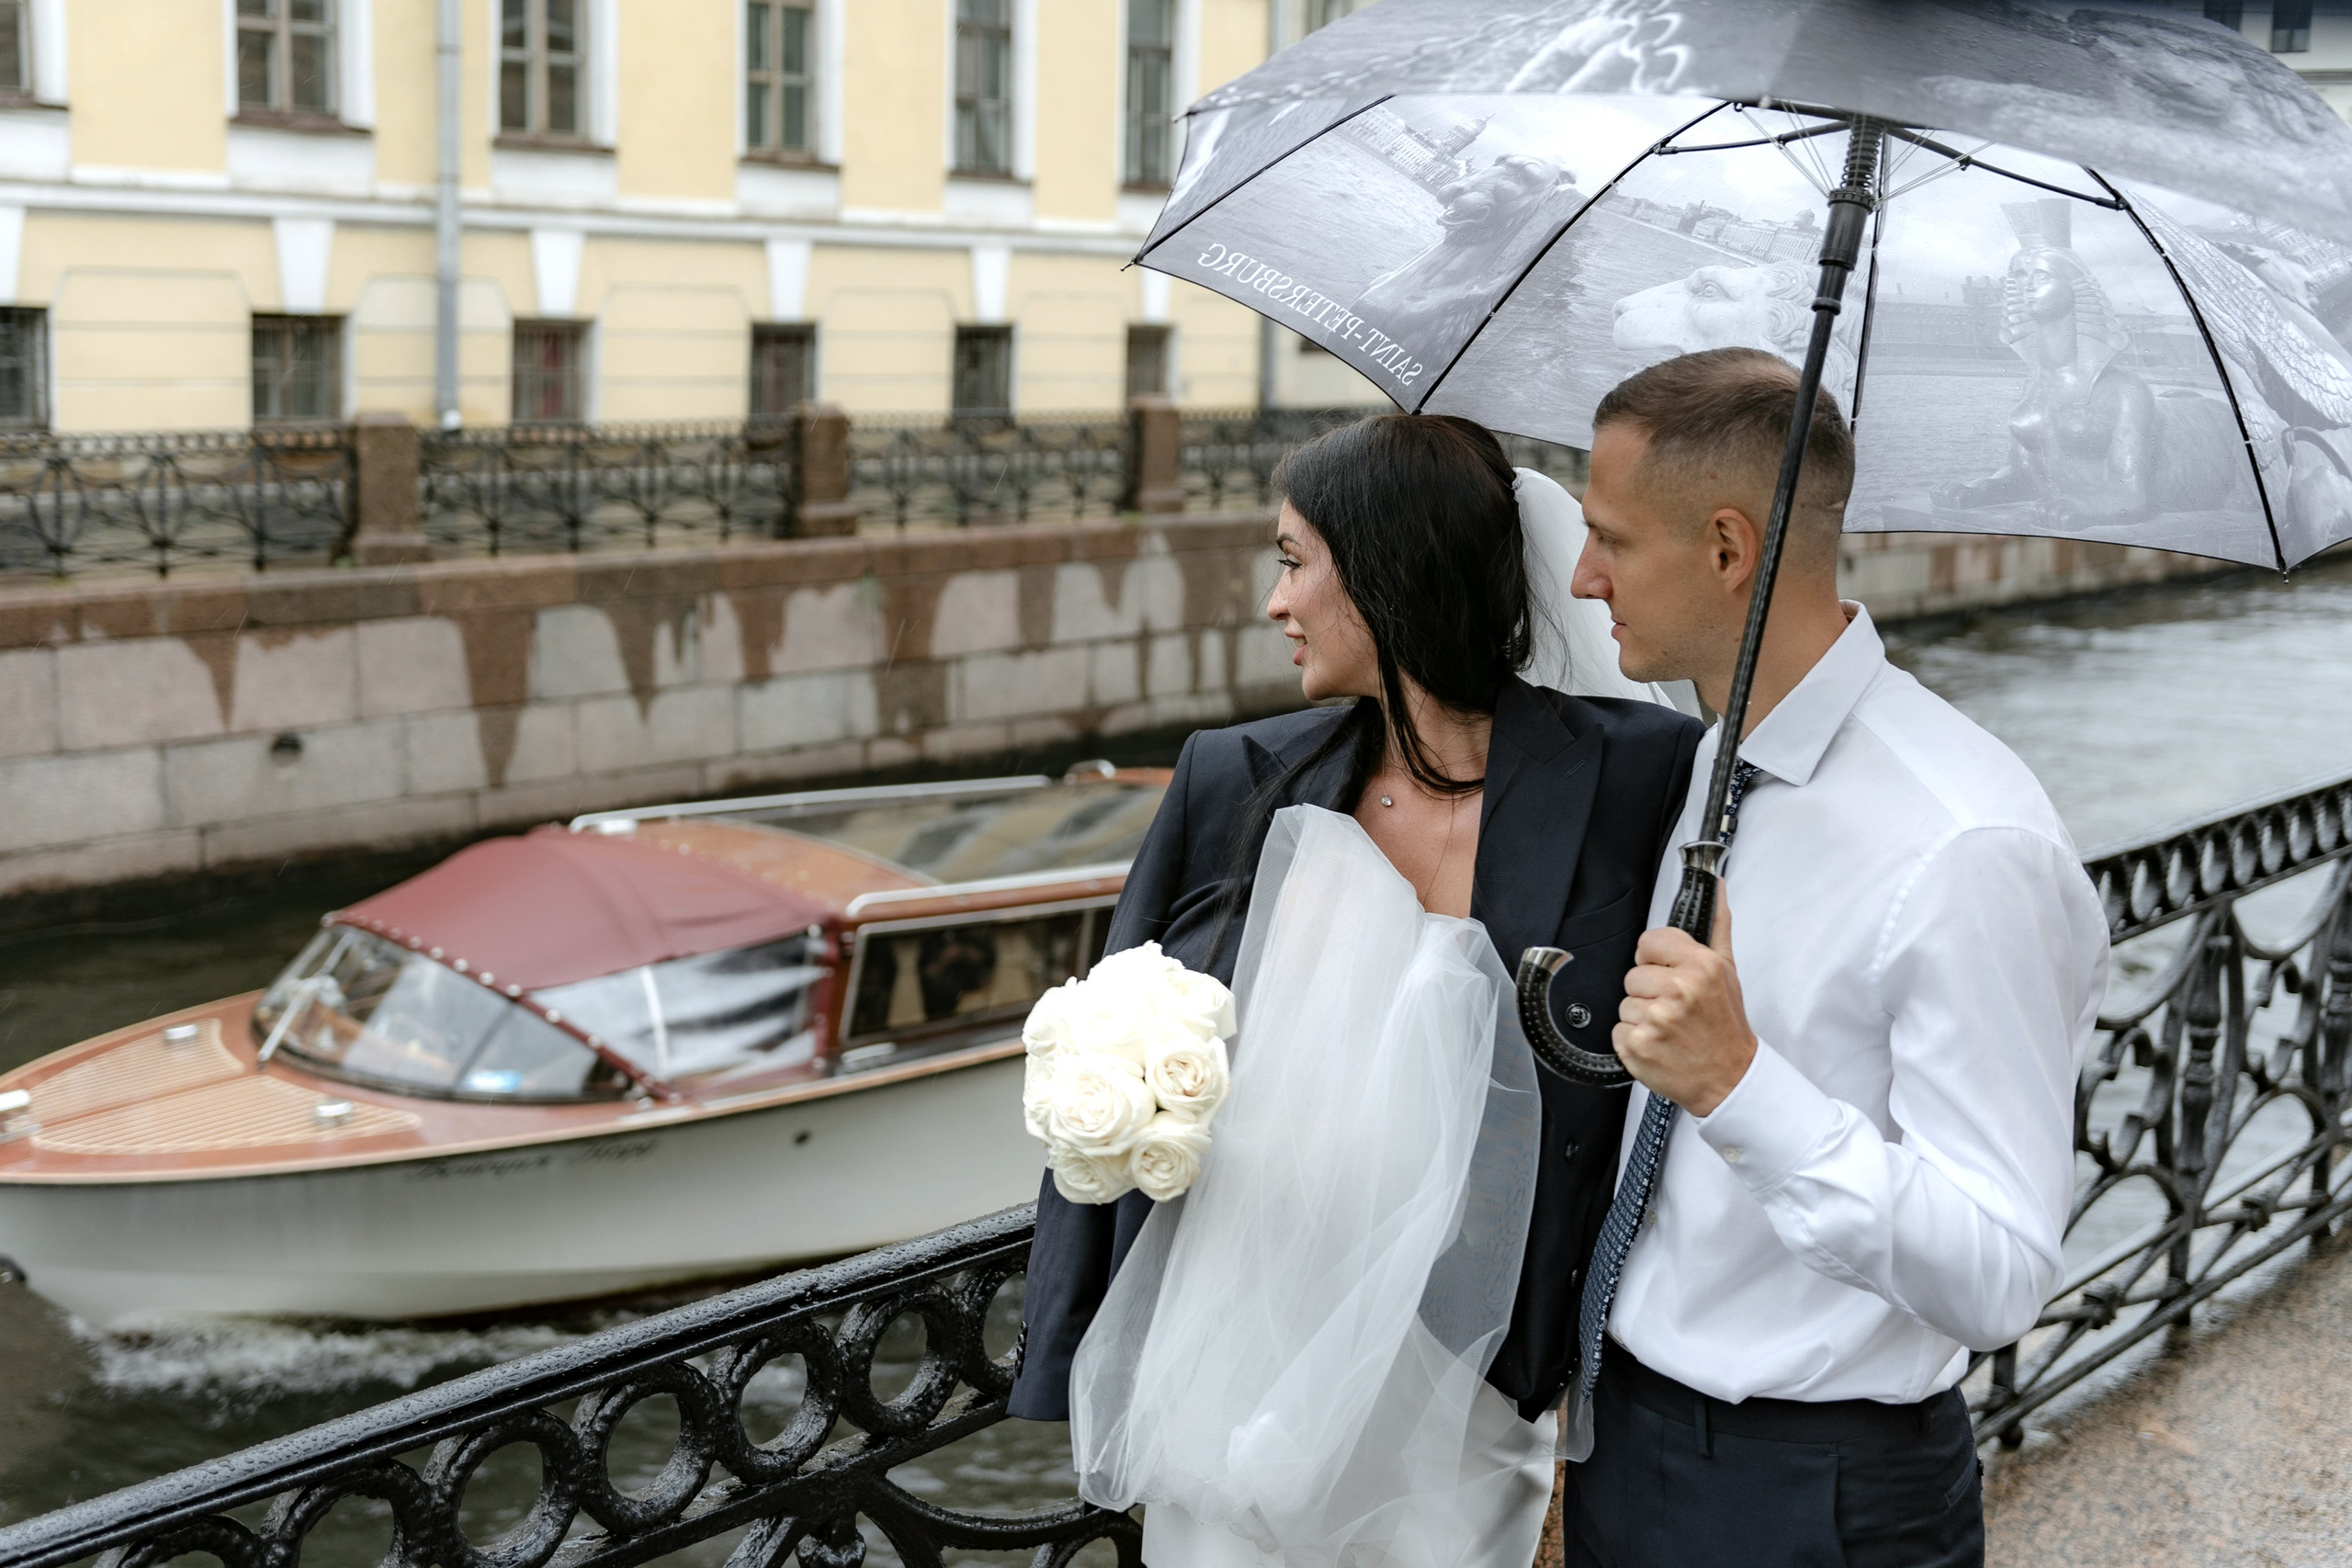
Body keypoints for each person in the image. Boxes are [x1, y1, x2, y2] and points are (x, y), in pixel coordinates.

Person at [1010, 412, 1702, 1565]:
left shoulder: (1638, 776)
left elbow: (1655, 1093)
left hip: (1466, 1388)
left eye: (1293, 560)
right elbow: (1119, 1039)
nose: (1273, 602)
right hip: (1234, 1358)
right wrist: (1071, 1344)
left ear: (1385, 571)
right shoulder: (1231, 778)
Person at [1559, 348, 2108, 1566]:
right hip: (1628, 1437)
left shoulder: (1968, 842)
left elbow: (2000, 1271)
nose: (1584, 576)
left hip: (1817, 1494)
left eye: (1610, 539)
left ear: (1724, 547)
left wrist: (1738, 1080)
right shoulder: (1713, 753)